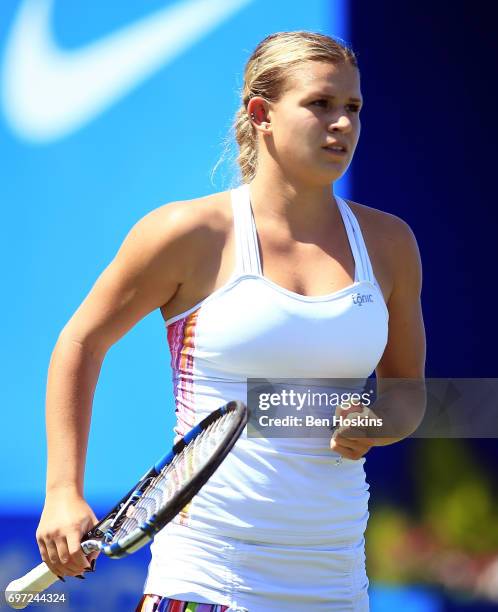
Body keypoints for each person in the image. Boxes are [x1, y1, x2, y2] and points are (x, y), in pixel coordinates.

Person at [35, 30, 426, 611]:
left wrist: (382, 419)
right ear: (261, 113)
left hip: (339, 587)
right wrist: (63, 491)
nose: (342, 123)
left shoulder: (390, 243)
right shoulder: (186, 234)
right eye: (320, 104)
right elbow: (81, 342)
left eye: (353, 108)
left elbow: (408, 394)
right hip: (204, 581)